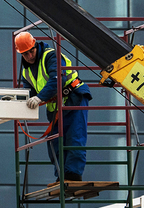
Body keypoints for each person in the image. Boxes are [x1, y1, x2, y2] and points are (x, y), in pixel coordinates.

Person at [16, 31, 92, 181]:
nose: (30, 56)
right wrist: (16, 102)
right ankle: (62, 175)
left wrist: (39, 98)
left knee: (74, 136)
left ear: (36, 45)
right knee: (55, 142)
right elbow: (28, 92)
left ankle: (73, 175)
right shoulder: (27, 71)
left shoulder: (50, 56)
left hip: (73, 97)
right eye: (25, 54)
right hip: (56, 106)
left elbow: (57, 79)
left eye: (31, 51)